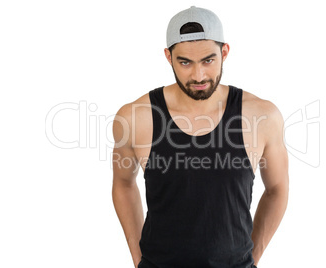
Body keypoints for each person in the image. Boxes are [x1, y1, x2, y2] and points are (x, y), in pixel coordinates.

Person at [112, 6, 289, 268]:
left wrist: (252, 258)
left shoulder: (262, 116)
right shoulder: (134, 118)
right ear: (169, 57)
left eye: (208, 60)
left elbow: (277, 189)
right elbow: (124, 184)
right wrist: (139, 259)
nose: (198, 76)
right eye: (185, 62)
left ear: (224, 52)